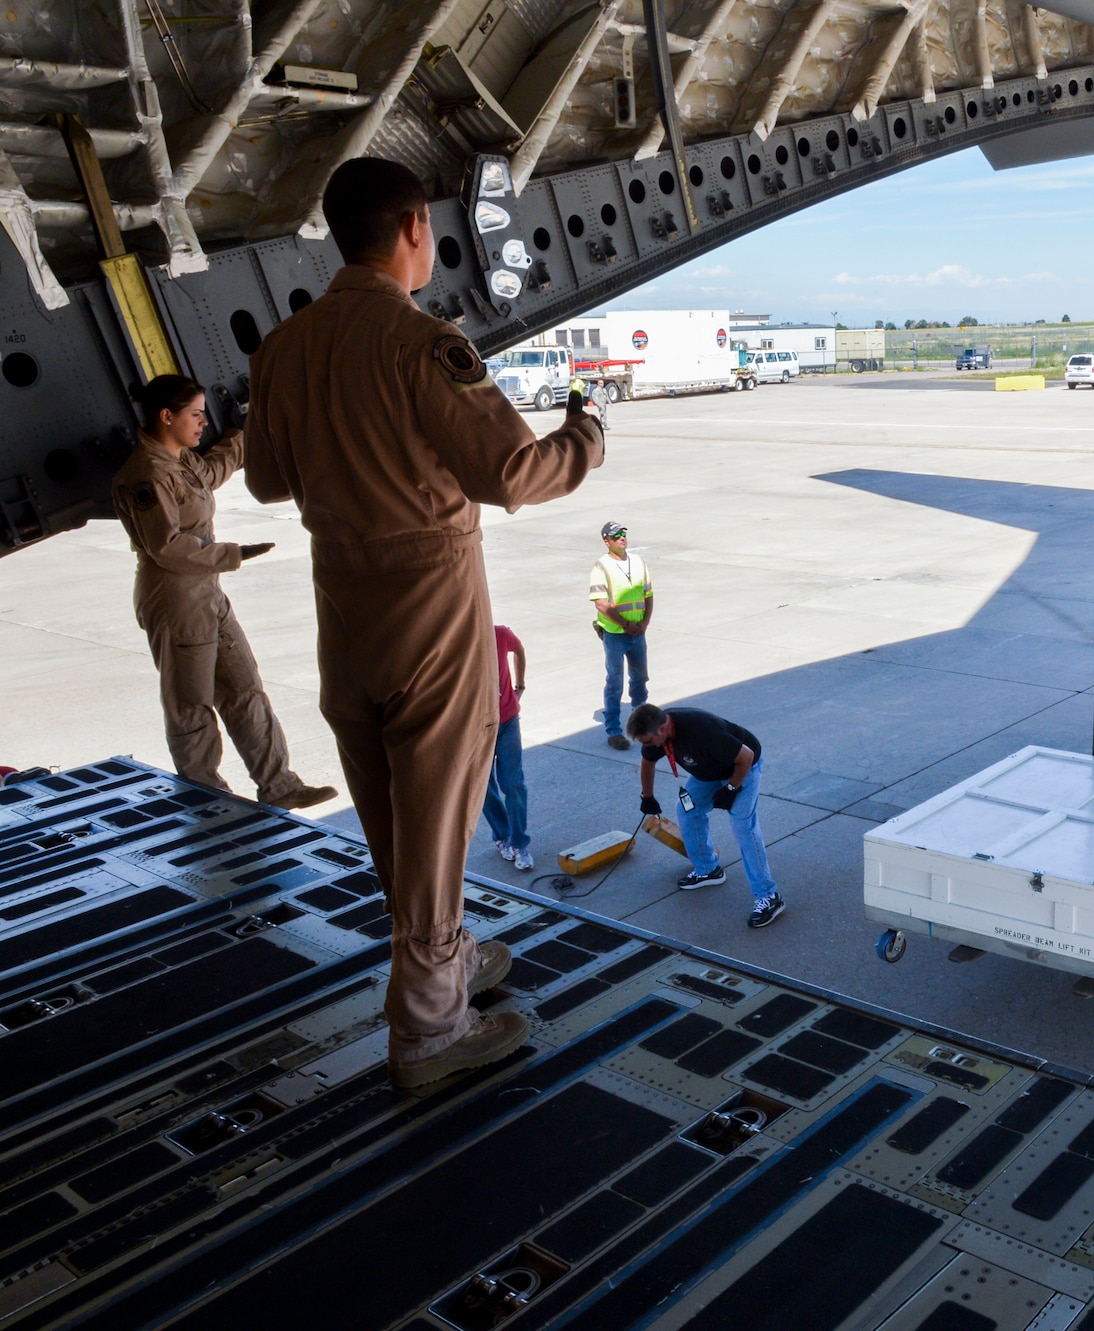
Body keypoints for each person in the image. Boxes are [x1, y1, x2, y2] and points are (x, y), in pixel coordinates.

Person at [245, 156, 605, 1091]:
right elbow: (515, 475)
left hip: (343, 611)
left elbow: (266, 482)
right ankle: (430, 1031)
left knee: (396, 831)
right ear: (413, 228)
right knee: (438, 818)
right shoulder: (424, 341)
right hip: (429, 608)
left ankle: (444, 956)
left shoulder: (281, 349)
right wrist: (585, 440)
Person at [112, 374, 334, 810]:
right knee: (191, 705)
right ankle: (206, 799)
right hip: (176, 598)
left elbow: (213, 472)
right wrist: (232, 554)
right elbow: (167, 548)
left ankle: (280, 785)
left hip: (204, 592)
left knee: (245, 687)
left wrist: (247, 431)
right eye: (195, 414)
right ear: (166, 416)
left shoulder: (181, 461)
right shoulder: (145, 475)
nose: (202, 422)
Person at [628, 703, 784, 929]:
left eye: (647, 741)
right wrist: (647, 797)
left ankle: (769, 897)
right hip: (708, 771)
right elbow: (648, 763)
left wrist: (731, 789)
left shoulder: (700, 730)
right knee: (687, 811)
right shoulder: (656, 734)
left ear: (662, 729)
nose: (647, 747)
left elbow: (746, 756)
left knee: (743, 825)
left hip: (742, 768)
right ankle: (708, 869)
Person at [590, 521, 653, 750]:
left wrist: (644, 623)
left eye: (623, 533)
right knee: (614, 682)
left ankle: (642, 723)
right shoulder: (601, 567)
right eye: (616, 536)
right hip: (616, 633)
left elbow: (648, 594)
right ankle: (614, 731)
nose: (622, 538)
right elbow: (601, 604)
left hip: (638, 632)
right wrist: (626, 624)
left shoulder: (638, 562)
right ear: (607, 542)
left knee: (640, 679)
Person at [482, 623, 532, 872]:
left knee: (513, 783)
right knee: (482, 786)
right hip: (477, 728)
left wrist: (519, 686)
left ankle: (520, 843)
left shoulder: (499, 633)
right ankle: (503, 836)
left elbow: (519, 649)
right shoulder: (457, 644)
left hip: (508, 720)